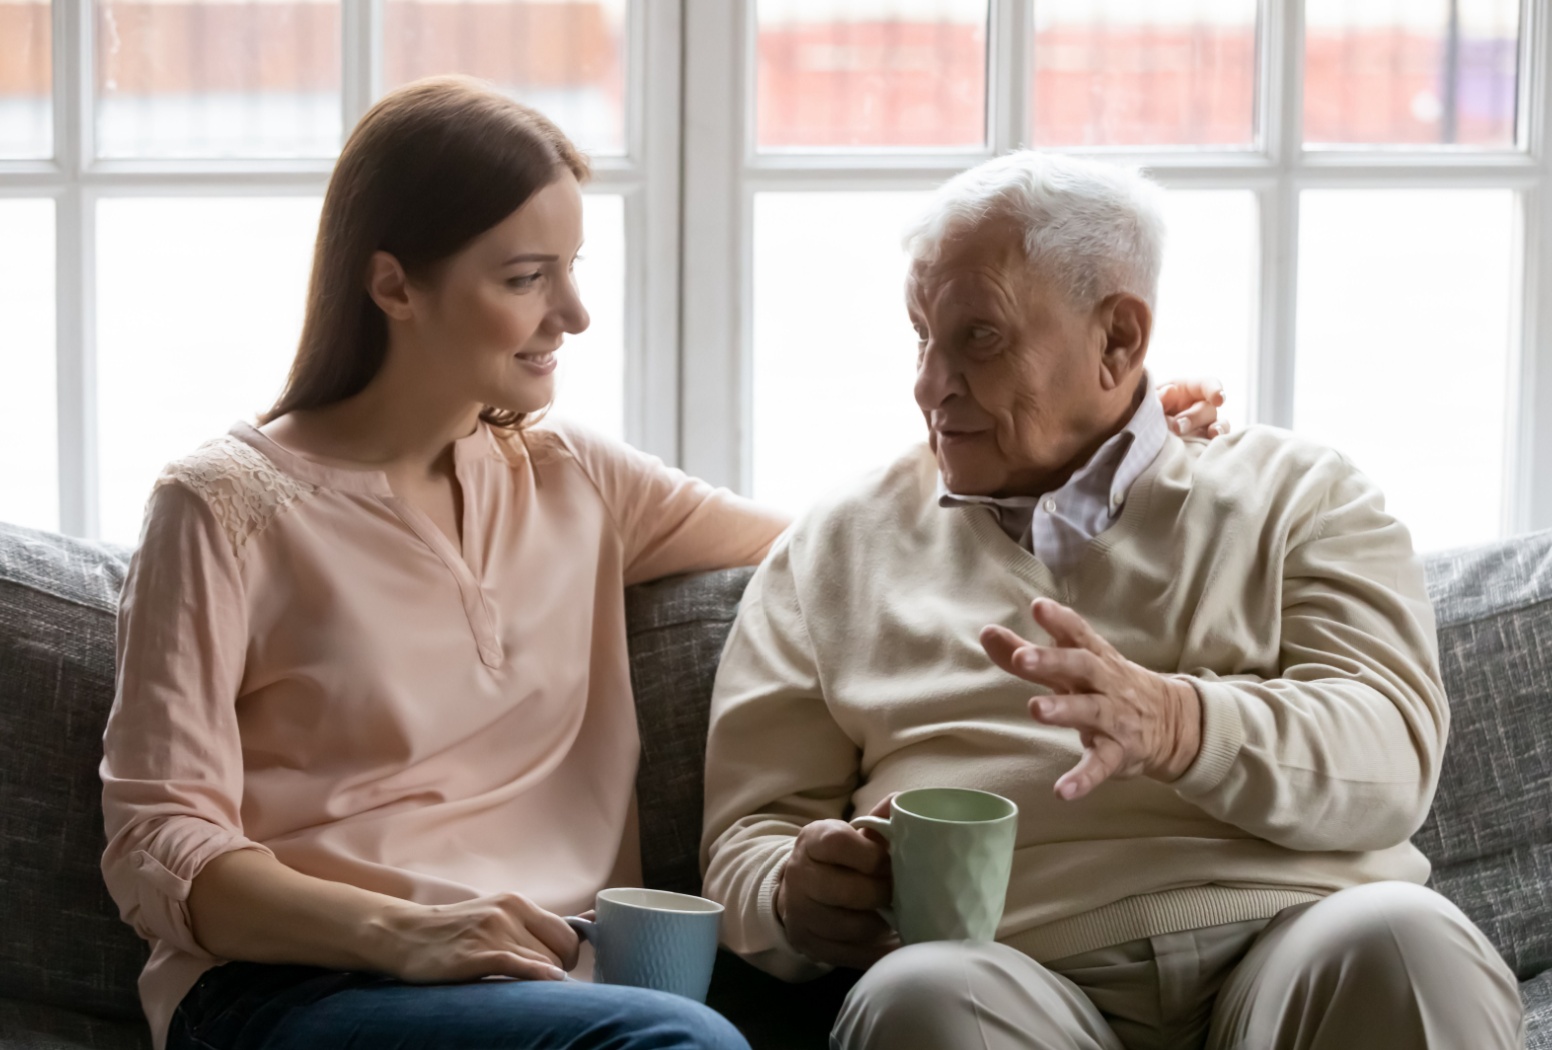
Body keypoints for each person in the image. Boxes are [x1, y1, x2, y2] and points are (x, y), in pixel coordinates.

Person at [99, 78, 1229, 1050]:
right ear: (394, 286)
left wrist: (1100, 430)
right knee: (667, 1040)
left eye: (573, 269)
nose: (575, 315)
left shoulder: (574, 477)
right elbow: (159, 843)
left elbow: (846, 544)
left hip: (565, 979)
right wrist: (405, 932)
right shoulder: (220, 508)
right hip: (306, 991)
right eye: (527, 277)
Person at [699, 150, 1526, 1050]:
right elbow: (749, 835)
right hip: (1007, 979)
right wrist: (794, 894)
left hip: (1299, 947)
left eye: (978, 337)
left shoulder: (1303, 494)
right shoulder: (834, 546)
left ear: (1119, 339)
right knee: (923, 996)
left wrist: (1179, 723)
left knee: (1407, 941)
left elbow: (1392, 756)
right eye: (921, 336)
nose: (930, 383)